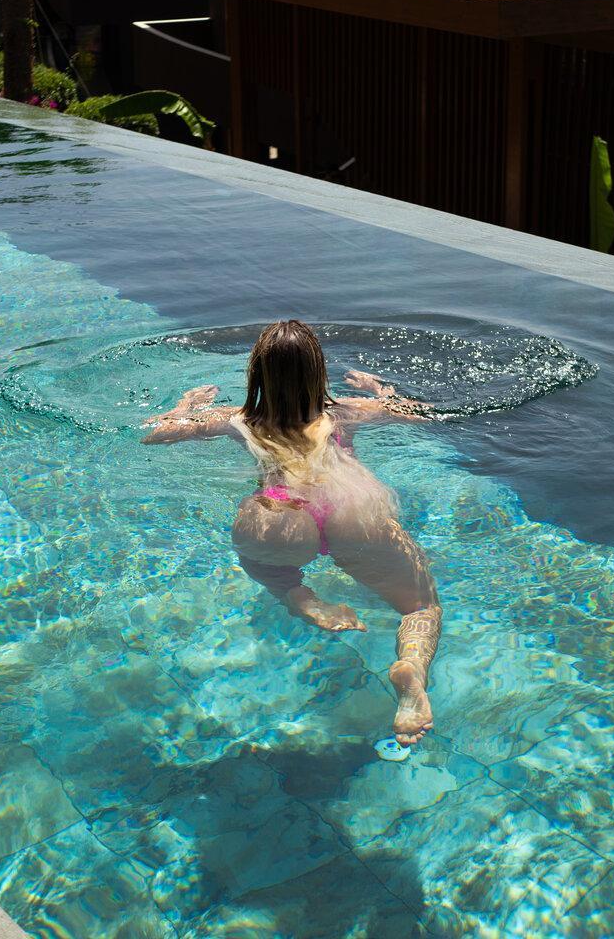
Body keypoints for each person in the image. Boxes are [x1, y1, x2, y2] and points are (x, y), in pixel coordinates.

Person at [143, 320, 442, 746]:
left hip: (280, 512)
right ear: (318, 374)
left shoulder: (239, 419)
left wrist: (186, 405)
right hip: (352, 506)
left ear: (257, 375)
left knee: (261, 559)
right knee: (421, 607)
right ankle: (412, 667)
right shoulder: (344, 412)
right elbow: (417, 414)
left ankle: (295, 594)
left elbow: (157, 436)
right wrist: (380, 390)